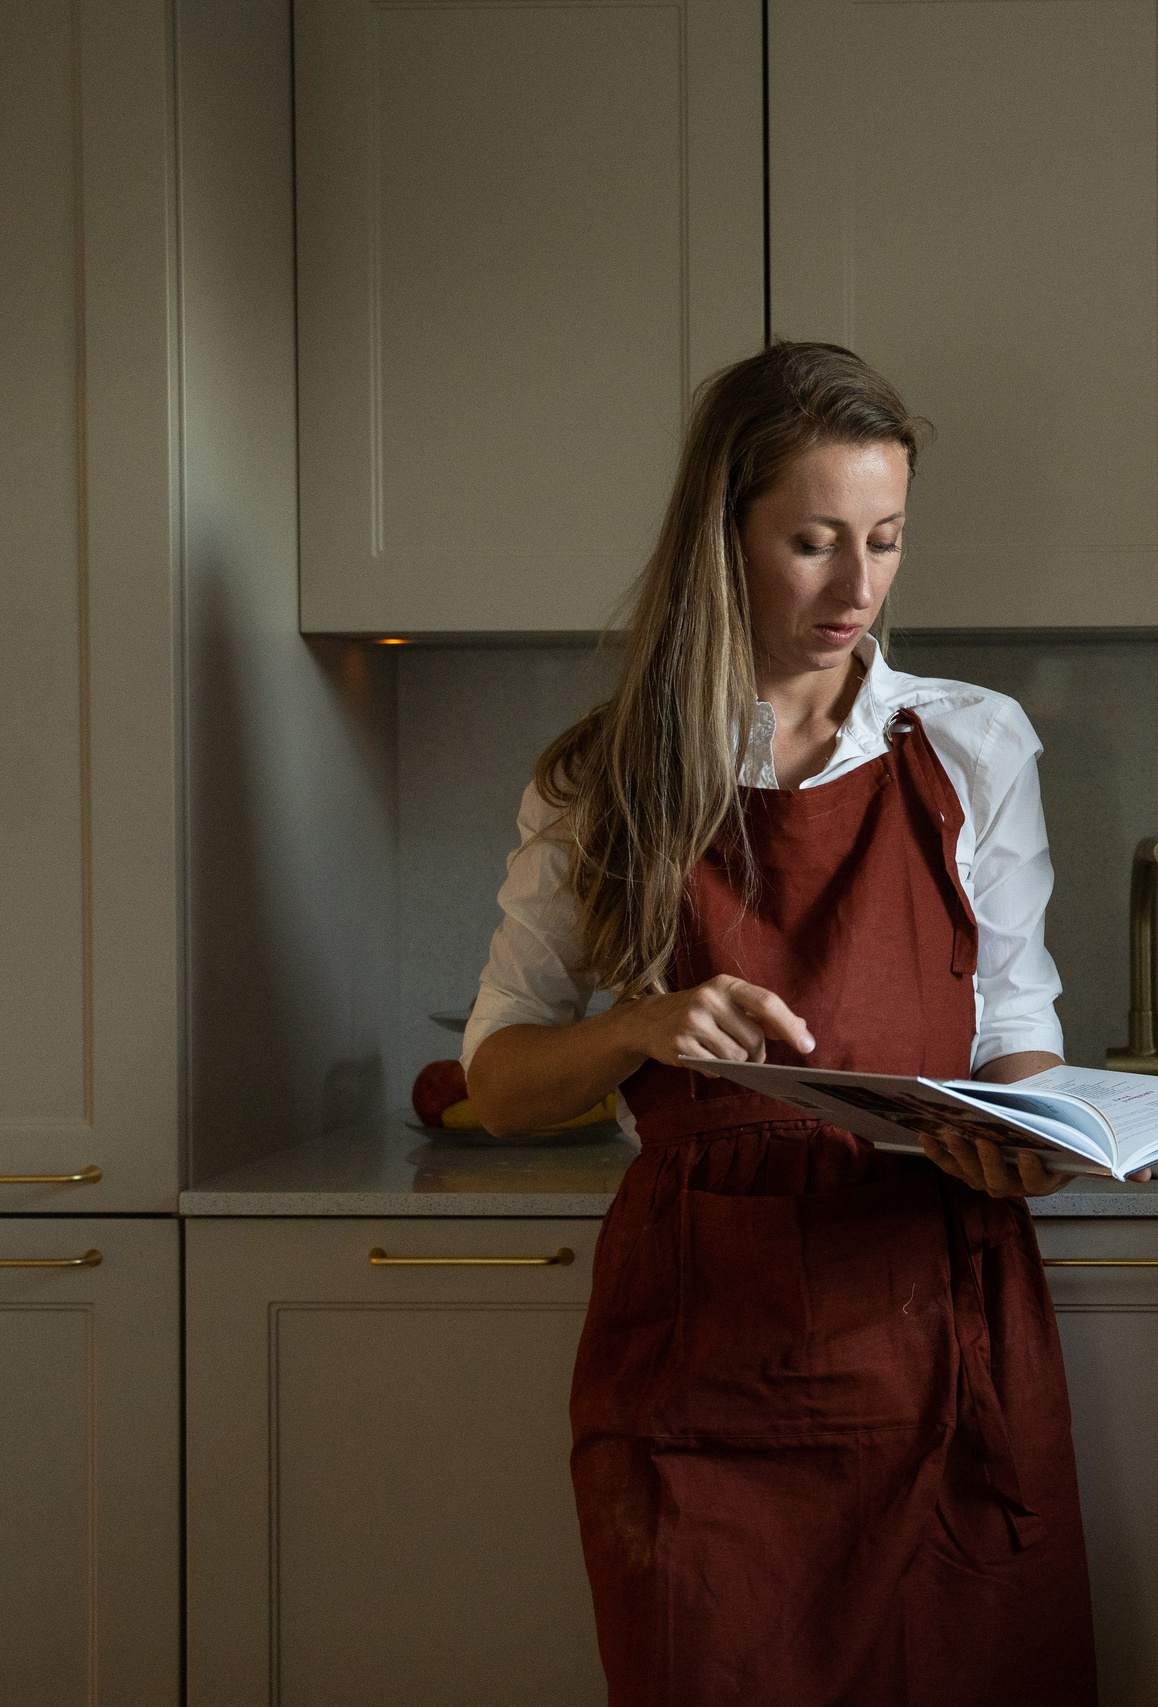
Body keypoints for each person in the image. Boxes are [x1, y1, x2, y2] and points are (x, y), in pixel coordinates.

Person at [460, 342, 1097, 1704]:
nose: (857, 587)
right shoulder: (603, 776)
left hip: (937, 1312)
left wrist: (1032, 1130)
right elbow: (501, 1080)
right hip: (701, 1348)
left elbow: (1017, 1022)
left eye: (885, 539)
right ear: (725, 533)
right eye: (812, 542)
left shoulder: (972, 743)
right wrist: (642, 1023)